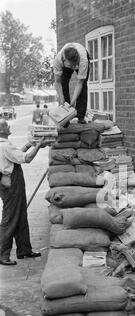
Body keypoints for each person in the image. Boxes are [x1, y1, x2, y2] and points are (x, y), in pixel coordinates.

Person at [0, 119, 46, 266]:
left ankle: (24, 249)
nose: (8, 126)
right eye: (5, 125)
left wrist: (29, 144)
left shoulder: (4, 145)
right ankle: (2, 254)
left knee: (21, 216)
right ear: (1, 130)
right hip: (11, 184)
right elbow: (27, 158)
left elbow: (16, 155)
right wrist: (39, 145)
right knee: (11, 218)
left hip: (9, 182)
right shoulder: (4, 146)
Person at [53, 43, 90, 124]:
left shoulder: (83, 60)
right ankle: (65, 115)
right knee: (63, 84)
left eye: (75, 65)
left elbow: (80, 82)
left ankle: (80, 116)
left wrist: (73, 100)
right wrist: (61, 98)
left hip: (82, 56)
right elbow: (57, 82)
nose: (74, 68)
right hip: (65, 64)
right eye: (72, 66)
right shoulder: (57, 61)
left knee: (83, 86)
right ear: (64, 60)